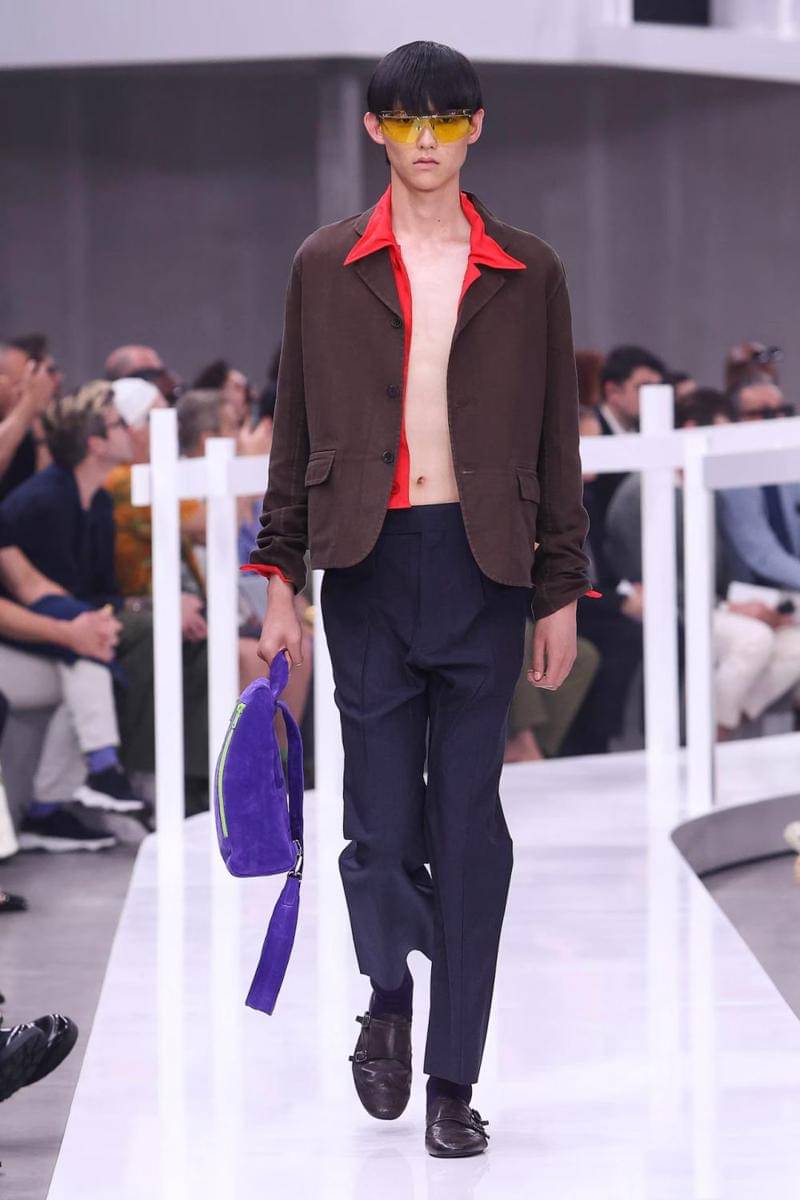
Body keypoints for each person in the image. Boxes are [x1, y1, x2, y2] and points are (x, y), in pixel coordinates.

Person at [245, 40, 600, 1157]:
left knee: (468, 825)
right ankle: (388, 991)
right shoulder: (325, 263)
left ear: (477, 127)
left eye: (448, 119)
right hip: (366, 563)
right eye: (408, 120)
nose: (429, 140)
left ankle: (453, 1076)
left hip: (486, 566)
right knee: (379, 823)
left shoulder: (528, 270)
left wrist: (561, 587)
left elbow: (557, 441)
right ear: (377, 131)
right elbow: (294, 429)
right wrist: (277, 583)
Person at [0, 382, 148, 847]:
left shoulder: (97, 502)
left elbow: (85, 589)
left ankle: (53, 805)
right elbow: (29, 594)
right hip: (22, 631)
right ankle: (96, 773)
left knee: (89, 657)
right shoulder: (41, 502)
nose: (131, 430)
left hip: (51, 624)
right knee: (90, 655)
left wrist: (90, 621)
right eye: (120, 424)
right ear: (95, 443)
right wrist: (82, 625)